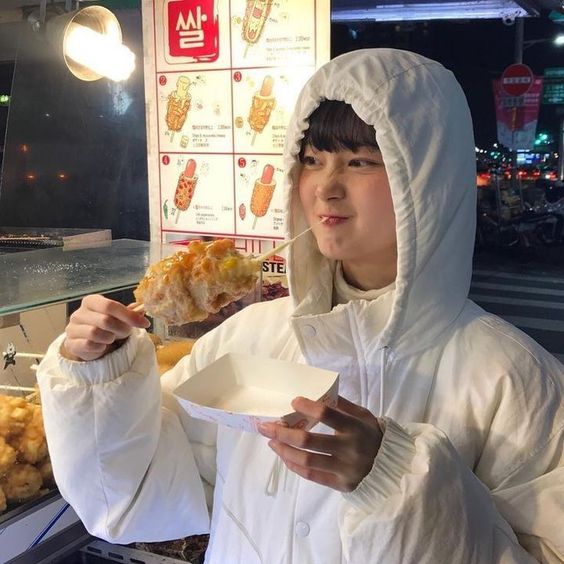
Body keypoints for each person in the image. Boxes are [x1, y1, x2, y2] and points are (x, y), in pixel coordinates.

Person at [38, 49, 563, 563]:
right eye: (312, 160)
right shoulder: (246, 339)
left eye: (360, 161)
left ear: (428, 182)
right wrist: (98, 376)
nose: (326, 188)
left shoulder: (514, 379)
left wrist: (396, 481)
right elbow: (137, 499)